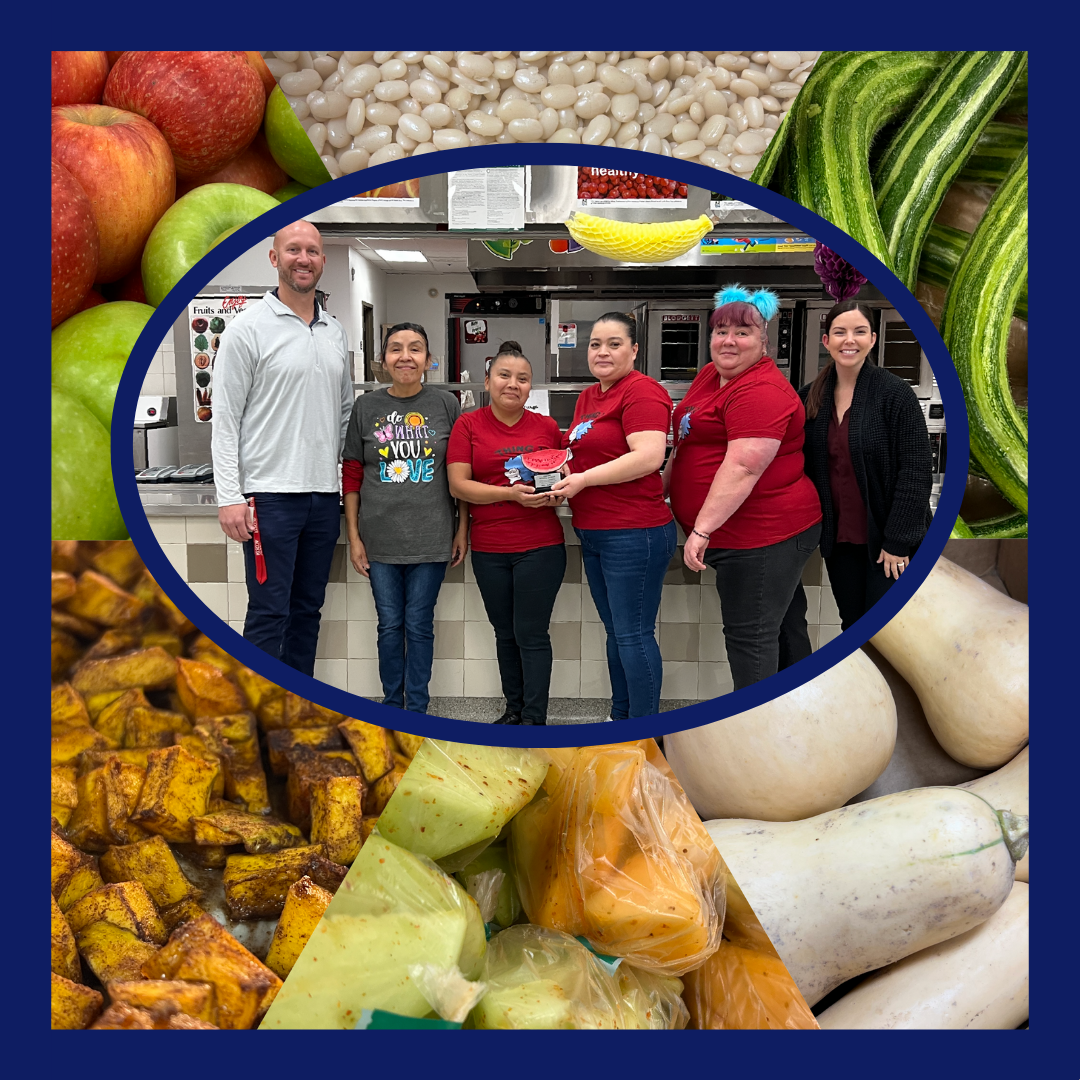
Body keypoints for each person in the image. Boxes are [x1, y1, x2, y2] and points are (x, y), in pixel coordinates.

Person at [212, 220, 352, 677]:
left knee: (308, 610)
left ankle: (298, 709)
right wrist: (229, 496)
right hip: (269, 498)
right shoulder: (246, 329)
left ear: (323, 262)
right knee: (270, 613)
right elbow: (226, 418)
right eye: (293, 250)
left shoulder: (334, 332)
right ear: (275, 258)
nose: (304, 259)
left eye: (312, 251)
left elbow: (345, 413)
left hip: (321, 497)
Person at [666, 285, 822, 691]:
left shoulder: (761, 391)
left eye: (742, 332)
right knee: (783, 627)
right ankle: (797, 716)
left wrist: (701, 531)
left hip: (764, 535)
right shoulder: (712, 375)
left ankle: (755, 730)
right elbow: (685, 440)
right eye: (721, 331)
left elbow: (743, 467)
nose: (728, 341)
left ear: (764, 342)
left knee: (750, 637)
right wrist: (664, 490)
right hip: (744, 534)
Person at [550, 313, 676, 720]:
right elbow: (588, 452)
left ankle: (644, 731)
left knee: (634, 635)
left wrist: (584, 479)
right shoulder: (590, 396)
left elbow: (649, 457)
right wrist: (563, 472)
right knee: (618, 634)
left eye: (614, 343)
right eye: (595, 344)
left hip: (633, 532)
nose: (602, 352)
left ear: (634, 350)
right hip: (595, 531)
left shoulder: (642, 392)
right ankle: (620, 718)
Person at [341, 323, 467, 713]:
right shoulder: (367, 407)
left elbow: (462, 471)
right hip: (379, 538)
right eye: (396, 349)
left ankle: (417, 709)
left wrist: (462, 529)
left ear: (429, 361)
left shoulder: (446, 404)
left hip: (432, 537)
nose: (405, 356)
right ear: (383, 361)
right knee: (389, 626)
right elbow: (352, 473)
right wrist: (354, 537)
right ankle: (392, 706)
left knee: (418, 625)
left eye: (415, 349)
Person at [447, 342, 567, 726]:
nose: (512, 384)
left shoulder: (547, 427)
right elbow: (458, 485)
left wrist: (553, 495)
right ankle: (513, 710)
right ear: (487, 381)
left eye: (522, 378)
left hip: (541, 546)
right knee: (504, 632)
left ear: (531, 388)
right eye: (504, 375)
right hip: (489, 547)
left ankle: (535, 718)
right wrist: (509, 495)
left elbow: (561, 480)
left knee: (531, 633)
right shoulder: (467, 424)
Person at [799, 300, 934, 630]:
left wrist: (898, 542)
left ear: (872, 339)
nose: (849, 340)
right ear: (826, 341)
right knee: (852, 624)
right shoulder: (809, 397)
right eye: (840, 332)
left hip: (888, 543)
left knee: (889, 633)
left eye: (859, 332)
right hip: (841, 542)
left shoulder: (895, 394)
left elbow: (916, 469)